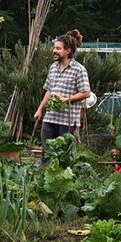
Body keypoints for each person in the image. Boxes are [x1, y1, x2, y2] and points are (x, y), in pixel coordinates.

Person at [34, 30, 91, 159]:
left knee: (64, 156)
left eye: (58, 48)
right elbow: (49, 90)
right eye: (55, 48)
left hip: (67, 121)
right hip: (50, 118)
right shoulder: (53, 67)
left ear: (68, 51)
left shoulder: (79, 69)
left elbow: (86, 93)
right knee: (47, 153)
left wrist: (66, 99)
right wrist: (40, 110)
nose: (54, 51)